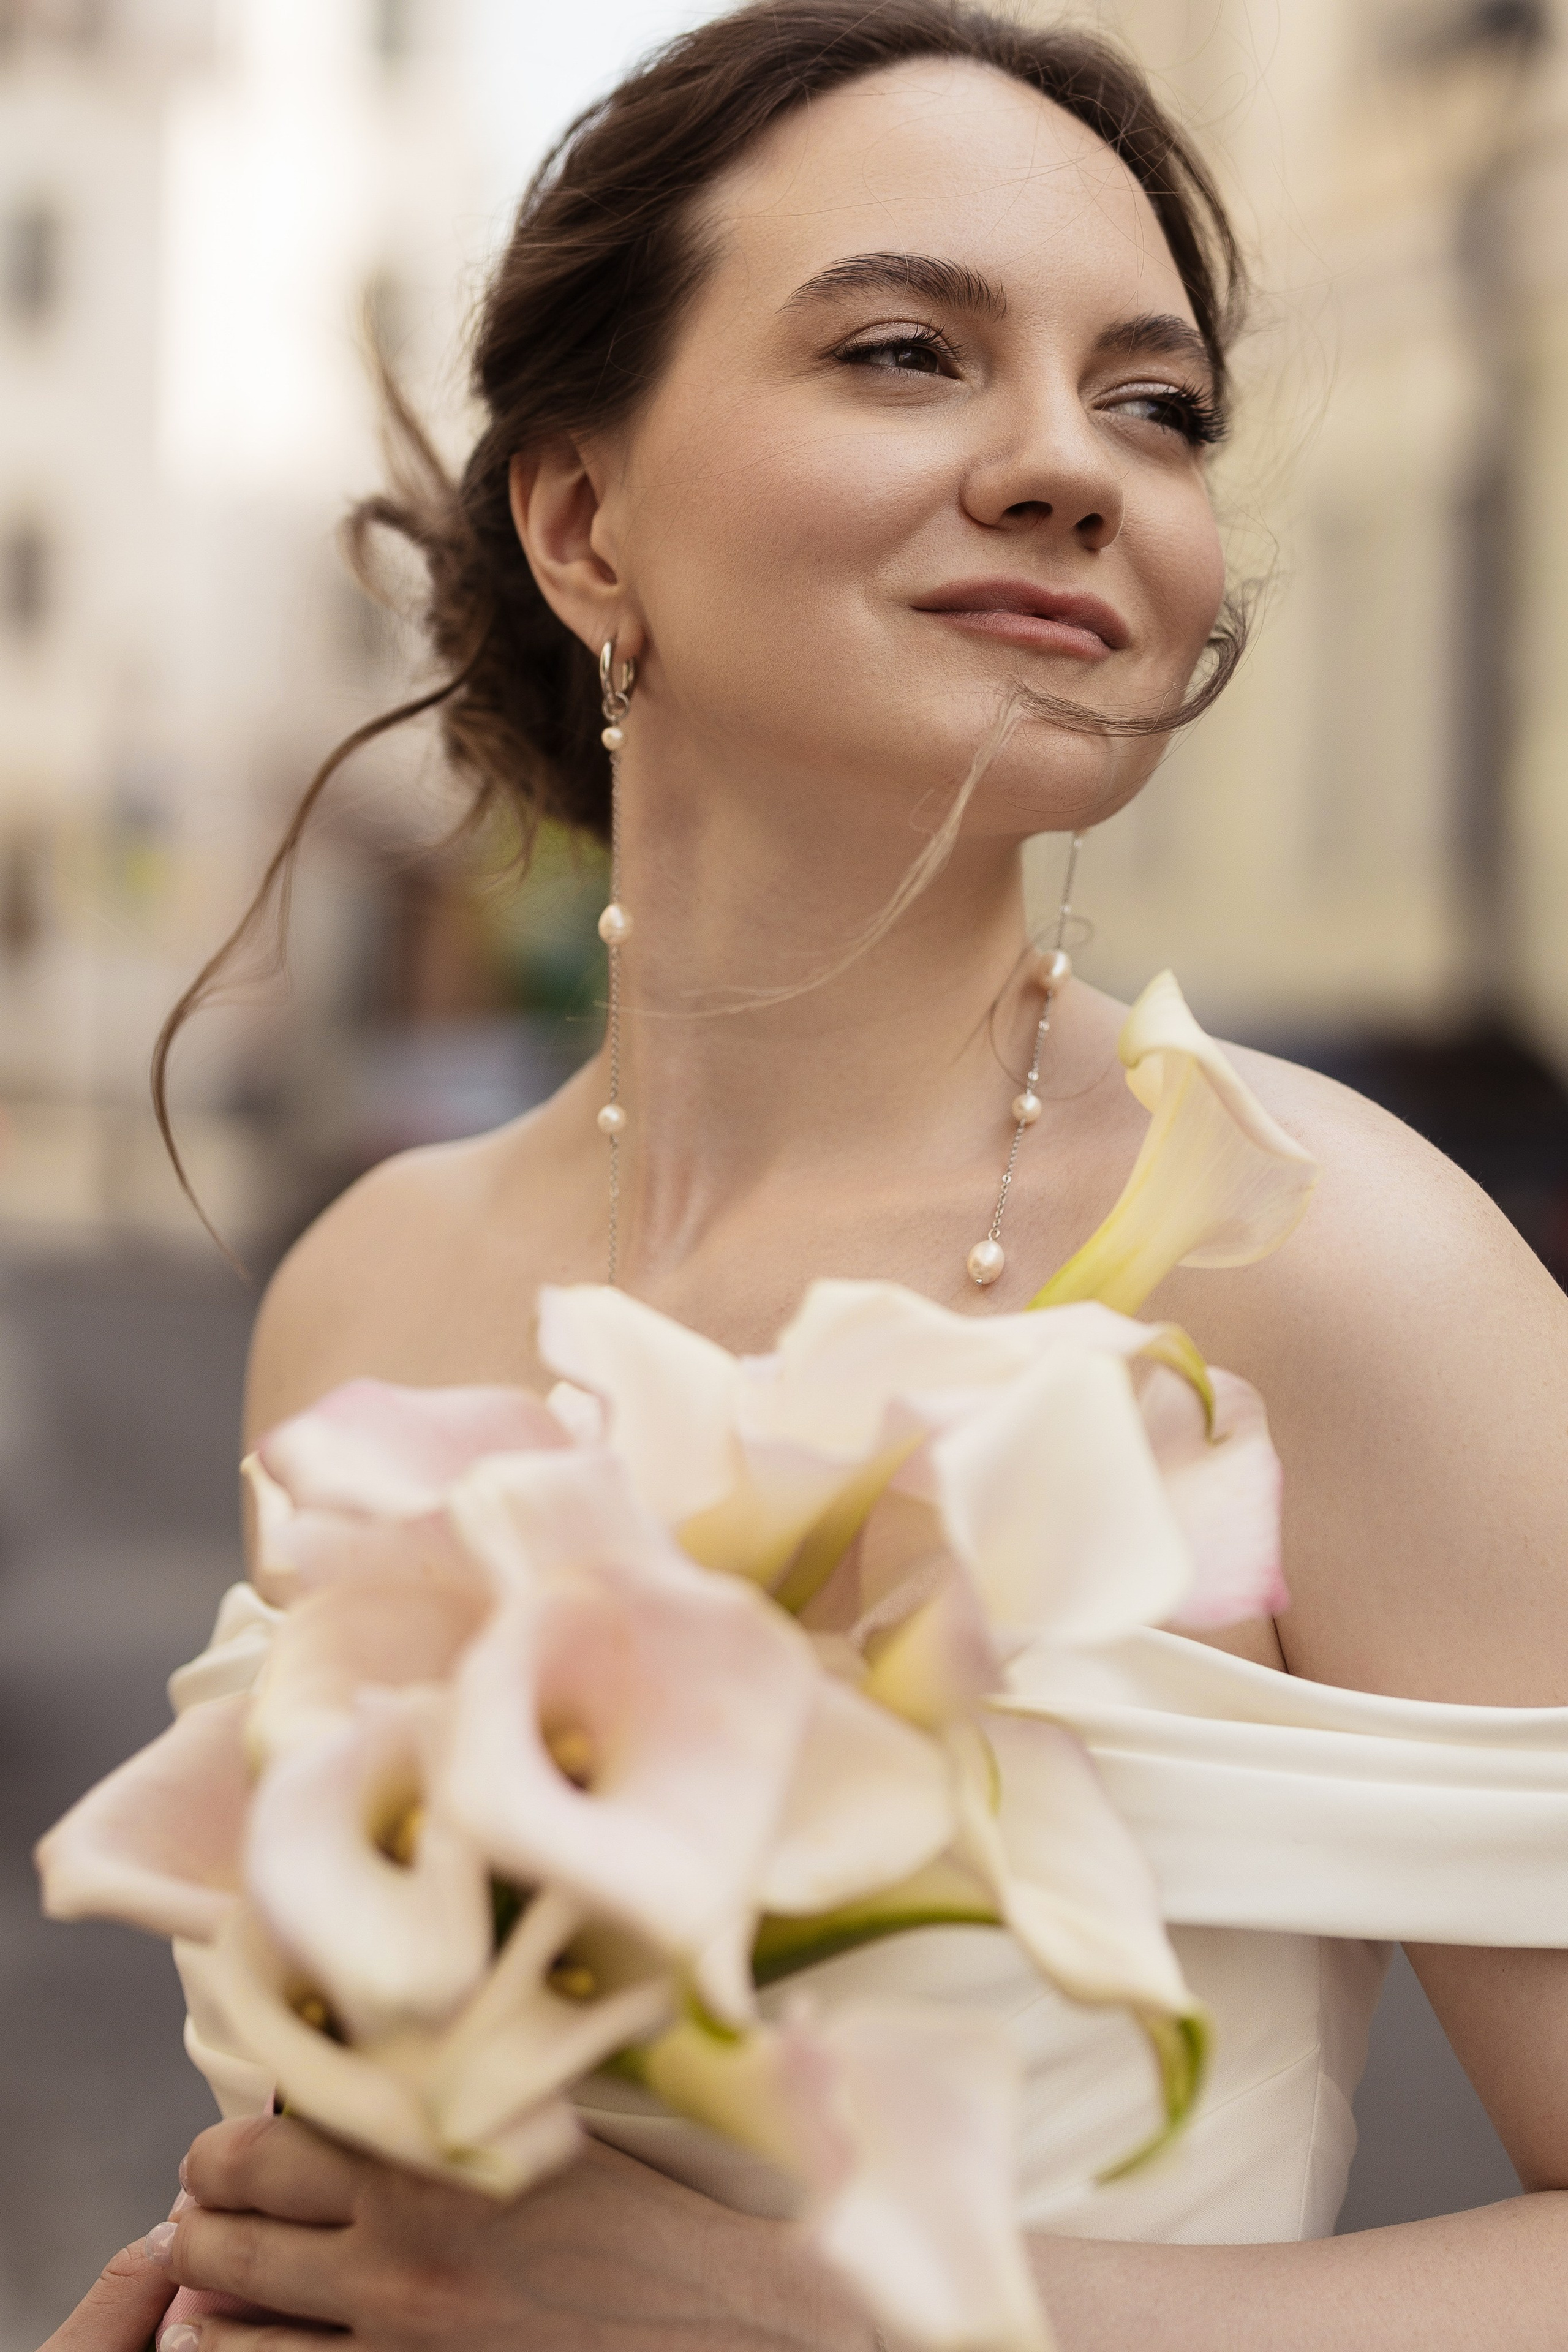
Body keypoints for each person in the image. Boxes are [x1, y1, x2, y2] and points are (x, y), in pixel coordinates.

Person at [55, 1, 1568, 2344]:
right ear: (583, 523)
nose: (1074, 464)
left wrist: (836, 2317)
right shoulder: (368, 1294)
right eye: (905, 351)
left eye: (1156, 405)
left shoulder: (1334, 1273)